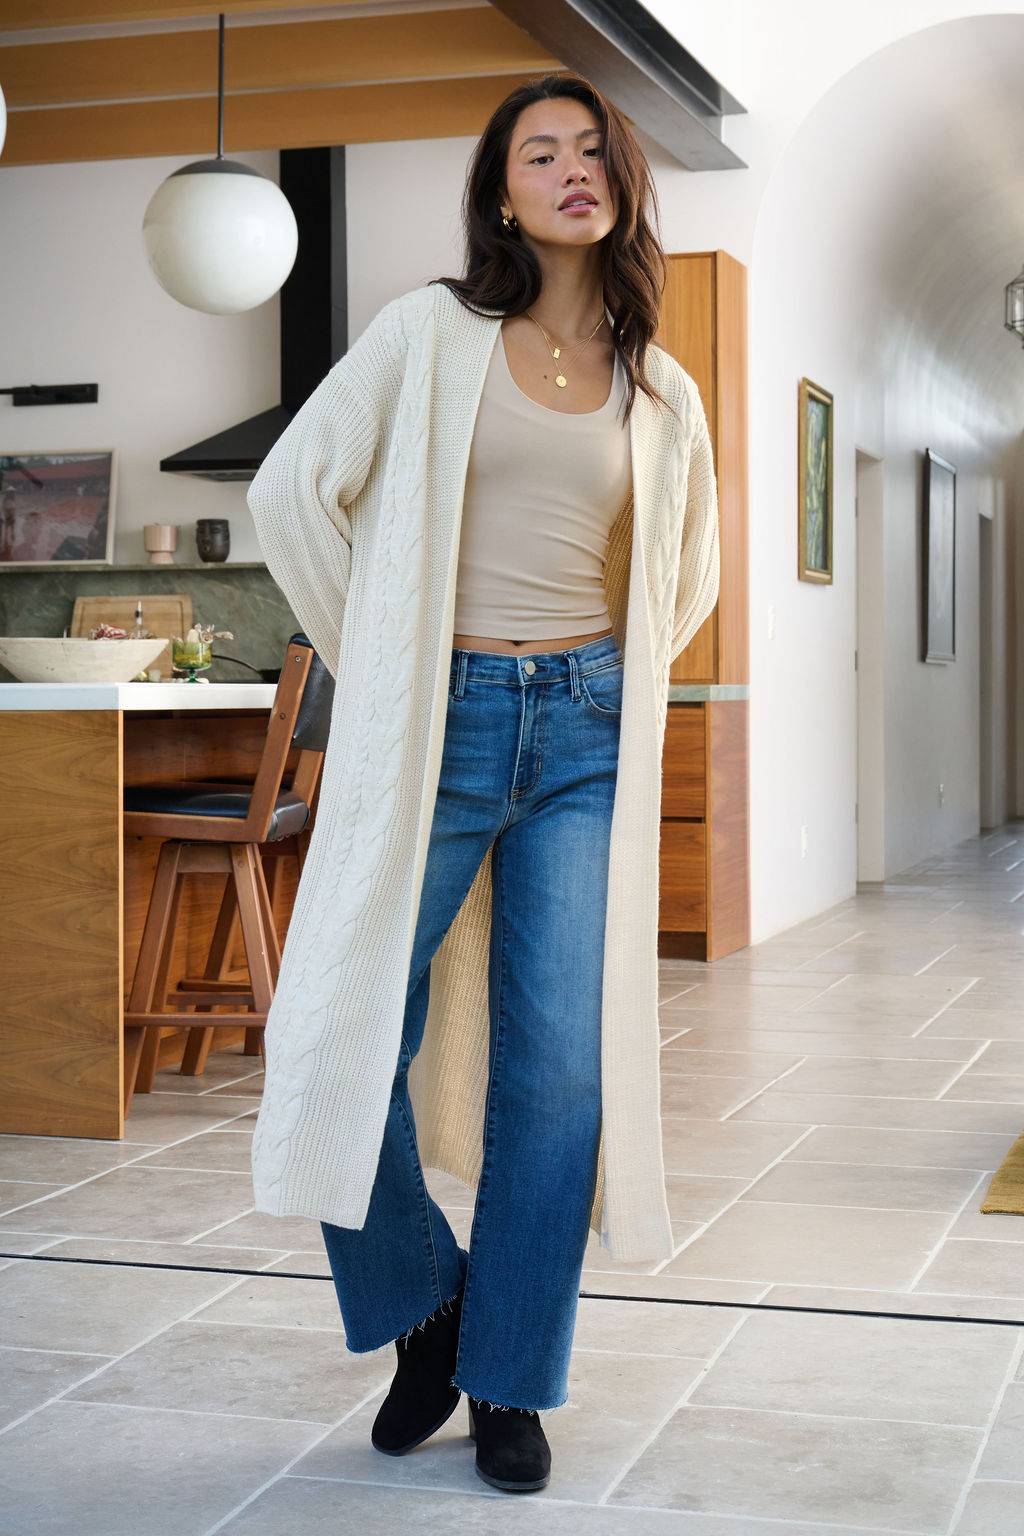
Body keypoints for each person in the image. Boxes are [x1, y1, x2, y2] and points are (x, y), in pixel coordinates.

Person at [246, 71, 720, 1496]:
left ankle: (510, 1378)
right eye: (540, 152)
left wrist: (602, 678)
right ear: (502, 191)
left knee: (558, 1074)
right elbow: (292, 493)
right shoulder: (429, 334)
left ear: (624, 181)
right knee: (333, 1028)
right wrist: (388, 662)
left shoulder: (659, 383)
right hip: (441, 725)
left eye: (592, 148)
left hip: (582, 731)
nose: (571, 168)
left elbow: (686, 575)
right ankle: (426, 1305)